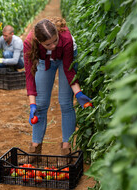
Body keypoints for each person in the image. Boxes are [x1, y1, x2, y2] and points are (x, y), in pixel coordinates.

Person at [23, 17, 92, 155]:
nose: (53, 45)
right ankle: (35, 148)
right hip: (45, 61)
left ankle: (66, 149)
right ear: (39, 41)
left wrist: (78, 94)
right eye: (48, 44)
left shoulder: (66, 38)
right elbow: (30, 75)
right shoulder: (30, 43)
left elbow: (68, 70)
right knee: (41, 105)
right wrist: (32, 105)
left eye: (55, 41)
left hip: (66, 58)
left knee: (66, 103)